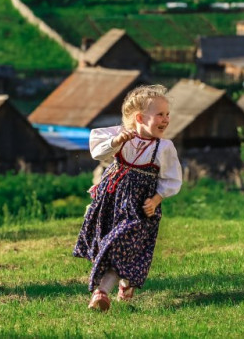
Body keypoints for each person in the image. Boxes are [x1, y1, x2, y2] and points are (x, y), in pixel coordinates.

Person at [73, 84, 183, 311]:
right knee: (110, 246)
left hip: (138, 208)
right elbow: (97, 153)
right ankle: (125, 283)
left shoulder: (164, 147)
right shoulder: (119, 135)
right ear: (141, 118)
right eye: (160, 114)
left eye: (167, 114)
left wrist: (156, 199)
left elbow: (171, 179)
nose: (166, 119)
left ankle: (101, 293)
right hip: (110, 201)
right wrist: (116, 142)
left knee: (119, 243)